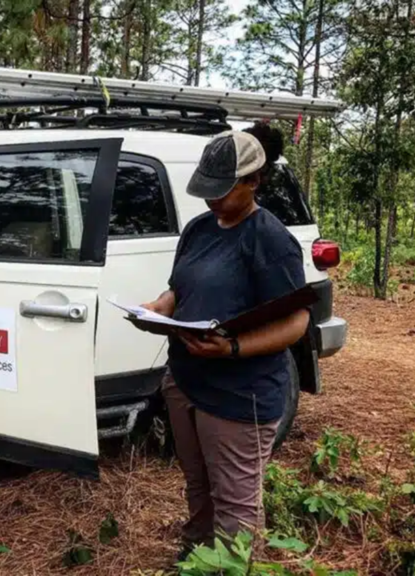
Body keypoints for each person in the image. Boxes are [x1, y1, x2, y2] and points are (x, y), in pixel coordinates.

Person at [139, 127, 310, 558]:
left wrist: (233, 348)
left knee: (235, 504)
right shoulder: (199, 229)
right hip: (187, 382)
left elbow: (296, 322)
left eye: (222, 190)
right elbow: (179, 289)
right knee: (197, 483)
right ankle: (196, 557)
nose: (211, 200)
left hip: (238, 395)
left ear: (253, 181)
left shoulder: (271, 241)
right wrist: (159, 307)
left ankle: (232, 566)